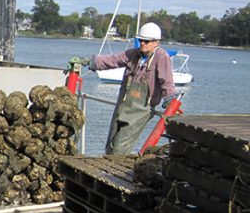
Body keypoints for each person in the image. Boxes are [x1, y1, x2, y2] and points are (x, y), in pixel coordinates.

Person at [72, 22, 176, 155]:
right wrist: (90, 61)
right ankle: (107, 165)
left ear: (156, 42)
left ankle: (114, 171)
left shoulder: (161, 57)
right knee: (111, 141)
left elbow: (166, 79)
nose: (143, 43)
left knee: (121, 145)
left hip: (141, 109)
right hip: (123, 104)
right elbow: (112, 60)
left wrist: (169, 98)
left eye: (147, 41)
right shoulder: (133, 54)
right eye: (141, 40)